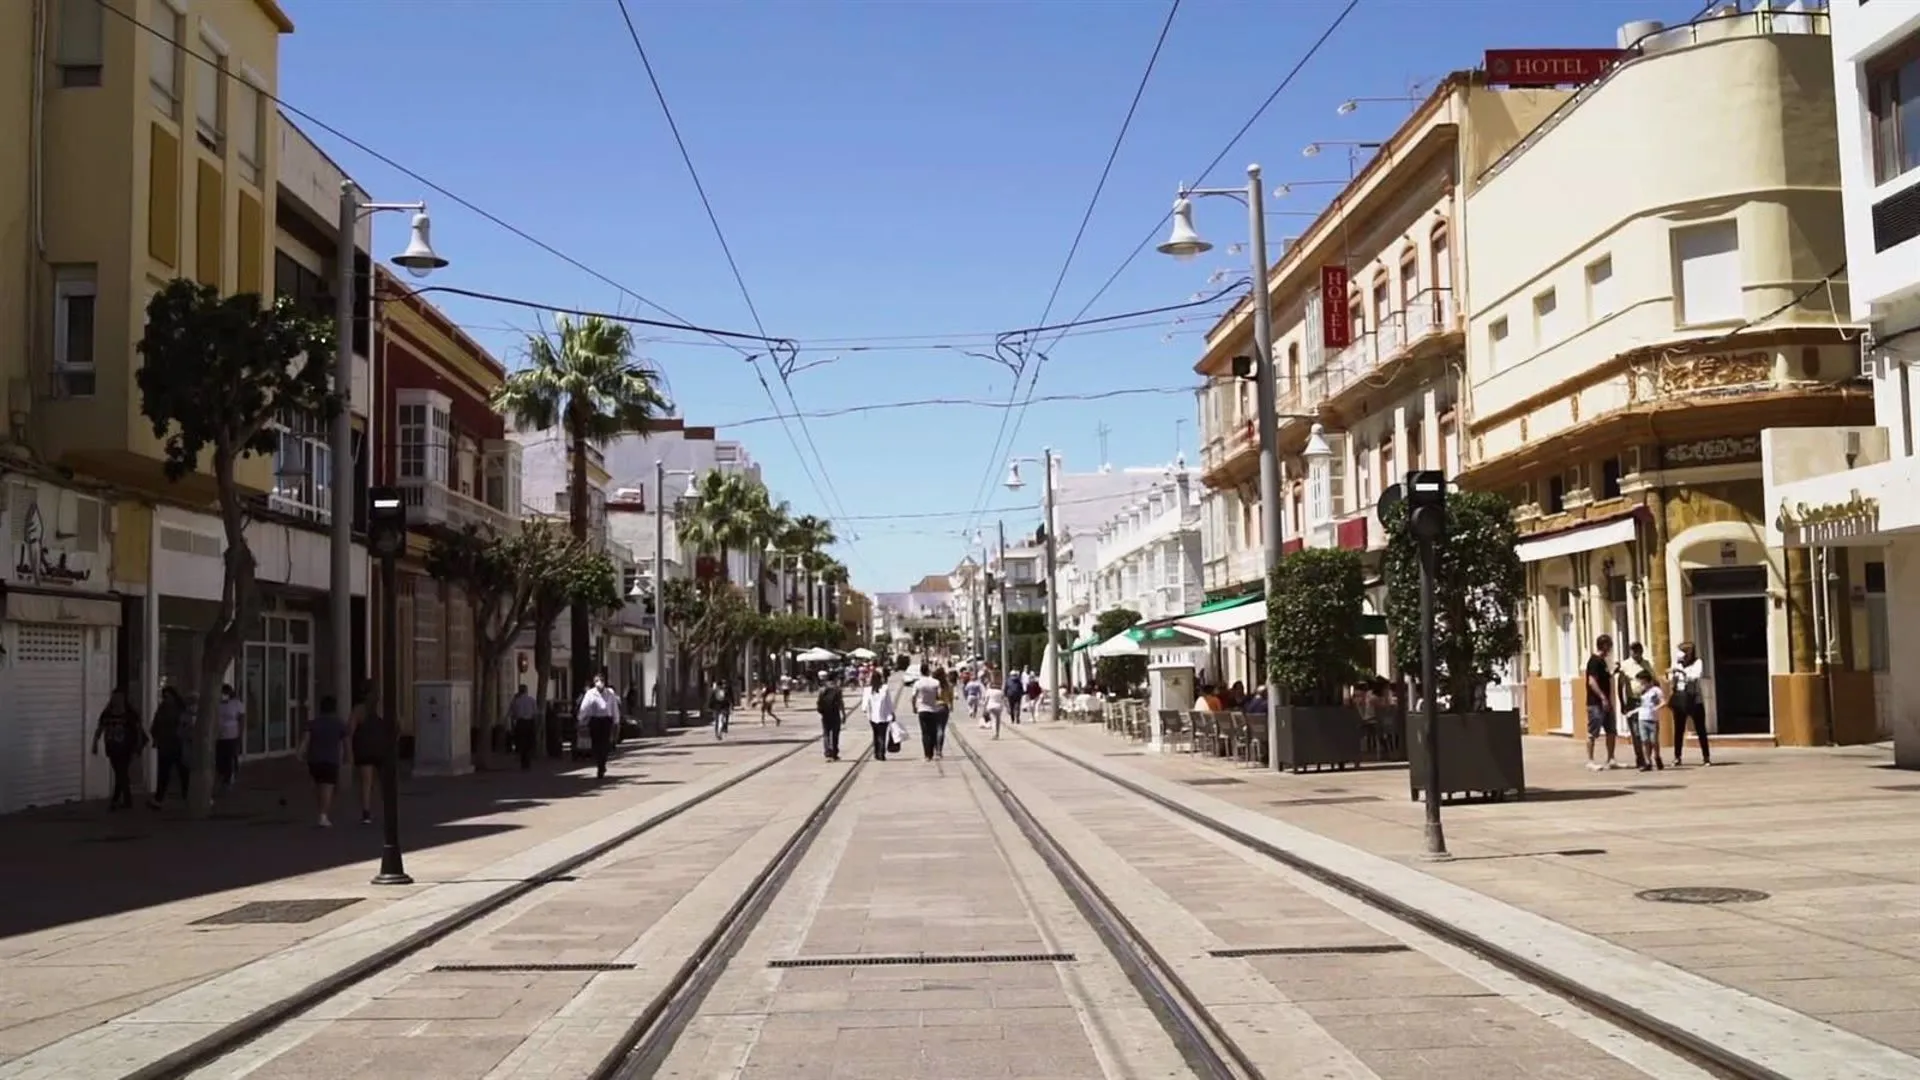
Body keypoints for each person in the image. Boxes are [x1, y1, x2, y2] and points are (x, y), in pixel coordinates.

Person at [297, 696, 348, 826]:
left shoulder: (313, 723)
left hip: (314, 760)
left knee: (319, 785)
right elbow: (346, 742)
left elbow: (306, 740)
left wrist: (300, 753)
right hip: (331, 760)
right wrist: (348, 756)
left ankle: (321, 811)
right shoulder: (339, 724)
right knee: (328, 787)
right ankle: (323, 815)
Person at [91, 687, 143, 811]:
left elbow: (138, 731)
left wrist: (137, 747)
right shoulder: (107, 713)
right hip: (112, 747)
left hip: (126, 748)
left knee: (122, 772)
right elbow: (100, 728)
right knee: (120, 773)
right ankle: (120, 800)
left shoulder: (130, 714)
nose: (117, 701)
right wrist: (95, 742)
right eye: (115, 698)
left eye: (119, 698)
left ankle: (122, 800)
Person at [349, 689, 392, 825]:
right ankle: (389, 810)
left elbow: (350, 730)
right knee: (385, 781)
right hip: (382, 748)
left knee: (366, 782)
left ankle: (366, 813)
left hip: (364, 749)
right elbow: (396, 726)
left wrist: (349, 750)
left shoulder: (358, 710)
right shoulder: (383, 708)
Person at [148, 685, 190, 809]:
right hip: (165, 745)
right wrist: (156, 737)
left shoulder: (180, 709)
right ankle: (159, 798)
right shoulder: (162, 709)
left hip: (178, 744)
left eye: (168, 696)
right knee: (163, 773)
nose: (166, 699)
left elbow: (185, 725)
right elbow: (155, 725)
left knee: (183, 772)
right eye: (164, 697)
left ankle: (187, 795)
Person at [1670, 641, 1711, 766]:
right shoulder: (1677, 663)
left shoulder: (1697, 663)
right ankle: (1677, 757)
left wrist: (1682, 672)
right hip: (1680, 698)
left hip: (1694, 699)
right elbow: (1672, 680)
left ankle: (1706, 757)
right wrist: (1674, 675)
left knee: (1700, 729)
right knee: (1679, 729)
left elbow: (1695, 677)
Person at [1585, 634, 1619, 771]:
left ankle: (1611, 758)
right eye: (1609, 645)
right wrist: (1603, 698)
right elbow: (1592, 682)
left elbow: (1605, 678)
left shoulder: (1603, 662)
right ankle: (1590, 761)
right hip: (1596, 703)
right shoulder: (1594, 661)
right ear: (1604, 645)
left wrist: (1613, 672)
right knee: (1593, 732)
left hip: (1606, 703)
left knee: (1611, 730)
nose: (1610, 649)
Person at [1617, 642, 1653, 770]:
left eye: (1638, 651)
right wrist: (1622, 703)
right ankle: (1640, 758)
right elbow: (1620, 685)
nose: (1636, 654)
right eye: (1633, 651)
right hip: (1632, 701)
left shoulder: (1646, 664)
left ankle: (1648, 758)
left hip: (1645, 701)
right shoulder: (1625, 665)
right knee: (1636, 732)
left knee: (1647, 731)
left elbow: (1653, 681)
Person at [579, 675, 620, 778]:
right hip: (595, 720)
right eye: (597, 681)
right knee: (596, 744)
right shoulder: (590, 693)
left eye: (601, 680)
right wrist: (581, 718)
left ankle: (602, 764)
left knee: (605, 744)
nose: (600, 683)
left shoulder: (610, 693)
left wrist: (616, 720)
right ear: (594, 682)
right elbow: (585, 707)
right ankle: (599, 764)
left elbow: (614, 706)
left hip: (606, 720)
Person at [1633, 669, 1666, 771]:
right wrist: (1633, 711)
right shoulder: (1642, 693)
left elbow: (1663, 702)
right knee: (1644, 741)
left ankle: (1657, 756)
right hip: (1642, 718)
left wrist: (1657, 708)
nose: (1642, 685)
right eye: (1640, 683)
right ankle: (1648, 761)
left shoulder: (1656, 690)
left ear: (1649, 681)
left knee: (1653, 741)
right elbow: (1642, 706)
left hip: (1652, 719)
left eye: (1643, 682)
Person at [215, 684, 244, 794]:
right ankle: (222, 775)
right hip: (219, 735)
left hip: (232, 735)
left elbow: (241, 718)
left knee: (229, 757)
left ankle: (228, 779)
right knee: (220, 757)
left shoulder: (236, 703)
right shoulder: (217, 704)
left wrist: (240, 733)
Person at [912, 663, 944, 761]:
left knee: (925, 732)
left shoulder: (918, 683)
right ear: (928, 671)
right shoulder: (936, 682)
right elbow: (939, 695)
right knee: (933, 731)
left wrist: (914, 707)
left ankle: (927, 755)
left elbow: (913, 696)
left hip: (922, 710)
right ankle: (933, 751)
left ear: (921, 671)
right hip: (933, 709)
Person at [864, 670, 896, 761]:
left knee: (876, 734)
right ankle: (881, 753)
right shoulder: (884, 688)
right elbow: (889, 703)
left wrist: (865, 711)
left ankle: (876, 753)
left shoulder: (868, 690)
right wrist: (892, 713)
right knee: (882, 735)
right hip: (884, 716)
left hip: (872, 717)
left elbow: (864, 705)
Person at [508, 684, 539, 770]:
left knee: (521, 742)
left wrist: (513, 725)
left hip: (520, 723)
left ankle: (523, 762)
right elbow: (535, 714)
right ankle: (527, 761)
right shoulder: (532, 700)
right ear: (526, 690)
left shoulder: (516, 701)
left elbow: (512, 714)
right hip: (529, 722)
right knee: (529, 743)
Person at [818, 675, 847, 762]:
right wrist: (844, 714)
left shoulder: (822, 689)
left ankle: (827, 753)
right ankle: (834, 753)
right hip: (835, 714)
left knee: (826, 734)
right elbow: (841, 702)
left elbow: (819, 703)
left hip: (825, 714)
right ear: (834, 679)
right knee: (835, 734)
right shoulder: (837, 689)